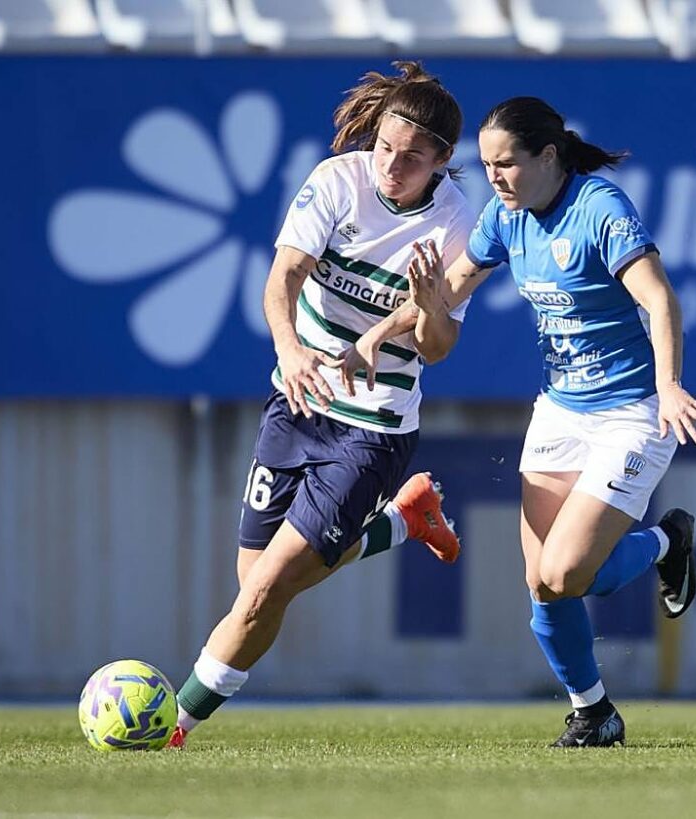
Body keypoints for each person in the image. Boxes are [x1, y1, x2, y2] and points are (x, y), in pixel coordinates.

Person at [350, 96, 696, 747]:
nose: (494, 176)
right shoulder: (506, 218)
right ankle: (594, 712)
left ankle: (665, 543)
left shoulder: (599, 208)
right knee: (545, 585)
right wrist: (379, 332)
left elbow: (659, 299)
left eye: (507, 163)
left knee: (565, 571)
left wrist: (668, 386)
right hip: (559, 410)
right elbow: (449, 293)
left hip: (632, 412)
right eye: (486, 164)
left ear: (548, 155)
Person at [167, 62, 475, 748]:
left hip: (374, 425)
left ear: (443, 162)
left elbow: (440, 345)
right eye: (386, 148)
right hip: (297, 397)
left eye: (412, 158)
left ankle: (173, 726)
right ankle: (402, 522)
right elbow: (283, 277)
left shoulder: (456, 220)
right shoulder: (337, 179)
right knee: (255, 579)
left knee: (266, 587)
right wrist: (290, 348)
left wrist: (428, 303)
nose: (392, 166)